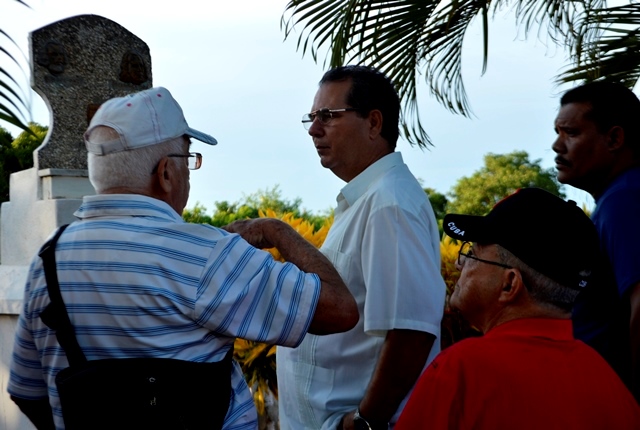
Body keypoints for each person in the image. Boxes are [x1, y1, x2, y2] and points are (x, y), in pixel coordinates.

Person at [8, 87, 358, 429]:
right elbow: (340, 310)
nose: (189, 173)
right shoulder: (205, 255)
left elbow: (27, 391)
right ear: (165, 173)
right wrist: (276, 231)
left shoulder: (49, 259)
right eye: (188, 159)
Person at [277, 65, 446, 430]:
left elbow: (411, 332)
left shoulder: (390, 204)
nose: (313, 129)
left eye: (328, 116)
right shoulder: (367, 199)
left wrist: (366, 422)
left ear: (373, 123)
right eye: (311, 117)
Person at [395, 187, 640, 430]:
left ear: (510, 284)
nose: (460, 264)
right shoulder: (608, 381)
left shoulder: (461, 371)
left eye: (472, 253)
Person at [552, 81, 640, 400]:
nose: (557, 146)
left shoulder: (625, 199)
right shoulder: (618, 198)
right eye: (557, 132)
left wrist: (628, 403)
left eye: (571, 133)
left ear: (615, 137)